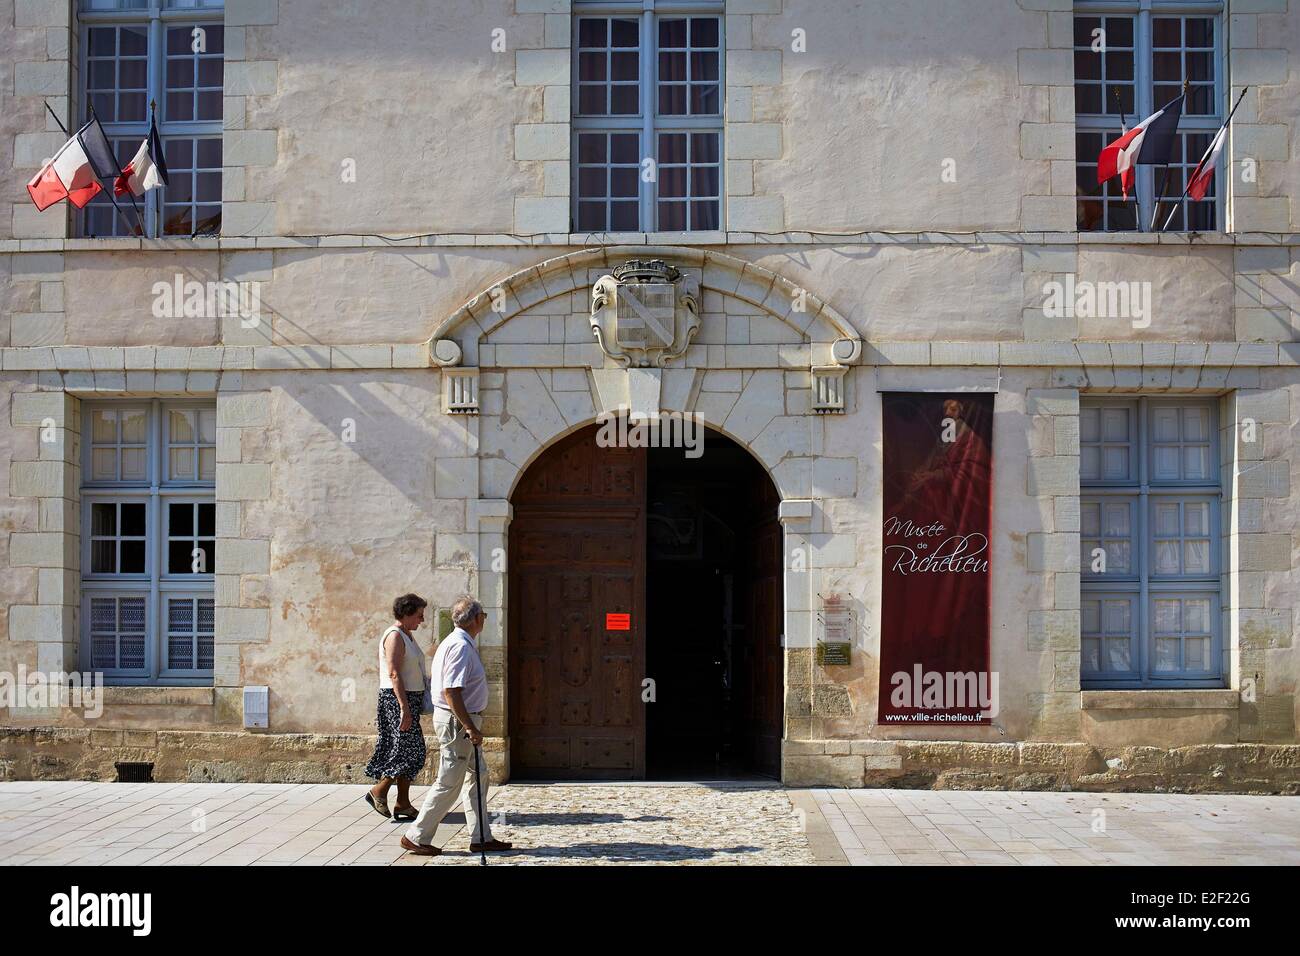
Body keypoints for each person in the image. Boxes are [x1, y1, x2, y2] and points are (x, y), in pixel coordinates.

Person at [400, 595, 513, 856]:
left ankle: (481, 836)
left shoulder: (459, 642)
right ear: (476, 619)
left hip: (462, 719)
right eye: (483, 615)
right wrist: (470, 727)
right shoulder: (460, 646)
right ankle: (416, 835)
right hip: (458, 721)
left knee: (478, 776)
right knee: (449, 782)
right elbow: (452, 691)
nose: (484, 619)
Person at [363, 593, 430, 822]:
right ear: (407, 613)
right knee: (405, 751)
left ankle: (403, 803)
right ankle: (379, 791)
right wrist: (404, 707)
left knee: (411, 751)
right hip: (396, 701)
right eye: (419, 615)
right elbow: (394, 673)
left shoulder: (407, 635)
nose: (422, 620)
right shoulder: (394, 636)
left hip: (407, 700)